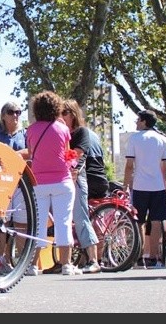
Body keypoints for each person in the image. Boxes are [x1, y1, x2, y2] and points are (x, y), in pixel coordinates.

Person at [23, 91, 81, 276]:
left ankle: (33, 265)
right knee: (64, 223)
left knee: (38, 224)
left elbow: (31, 154)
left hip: (38, 182)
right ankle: (66, 265)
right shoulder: (63, 129)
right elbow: (68, 154)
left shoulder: (31, 130)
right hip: (62, 181)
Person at [123, 109, 166, 269]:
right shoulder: (163, 140)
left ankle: (139, 256)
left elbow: (129, 165)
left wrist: (125, 185)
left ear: (144, 121)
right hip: (158, 186)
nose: (136, 122)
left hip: (140, 186)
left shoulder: (134, 139)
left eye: (138, 120)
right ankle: (153, 257)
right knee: (157, 221)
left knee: (139, 222)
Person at [55, 99, 102, 274]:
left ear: (73, 114)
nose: (61, 116)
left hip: (76, 178)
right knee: (62, 220)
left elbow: (78, 153)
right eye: (59, 113)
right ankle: (63, 260)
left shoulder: (81, 132)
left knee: (81, 217)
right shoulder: (59, 132)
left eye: (64, 113)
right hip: (60, 179)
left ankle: (93, 259)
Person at [0, 101, 26, 275]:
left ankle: (22, 262)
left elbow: (32, 151)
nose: (15, 115)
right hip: (0, 184)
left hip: (21, 185)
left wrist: (12, 155)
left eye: (18, 112)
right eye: (11, 112)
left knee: (22, 224)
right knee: (1, 223)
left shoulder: (24, 134)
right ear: (3, 115)